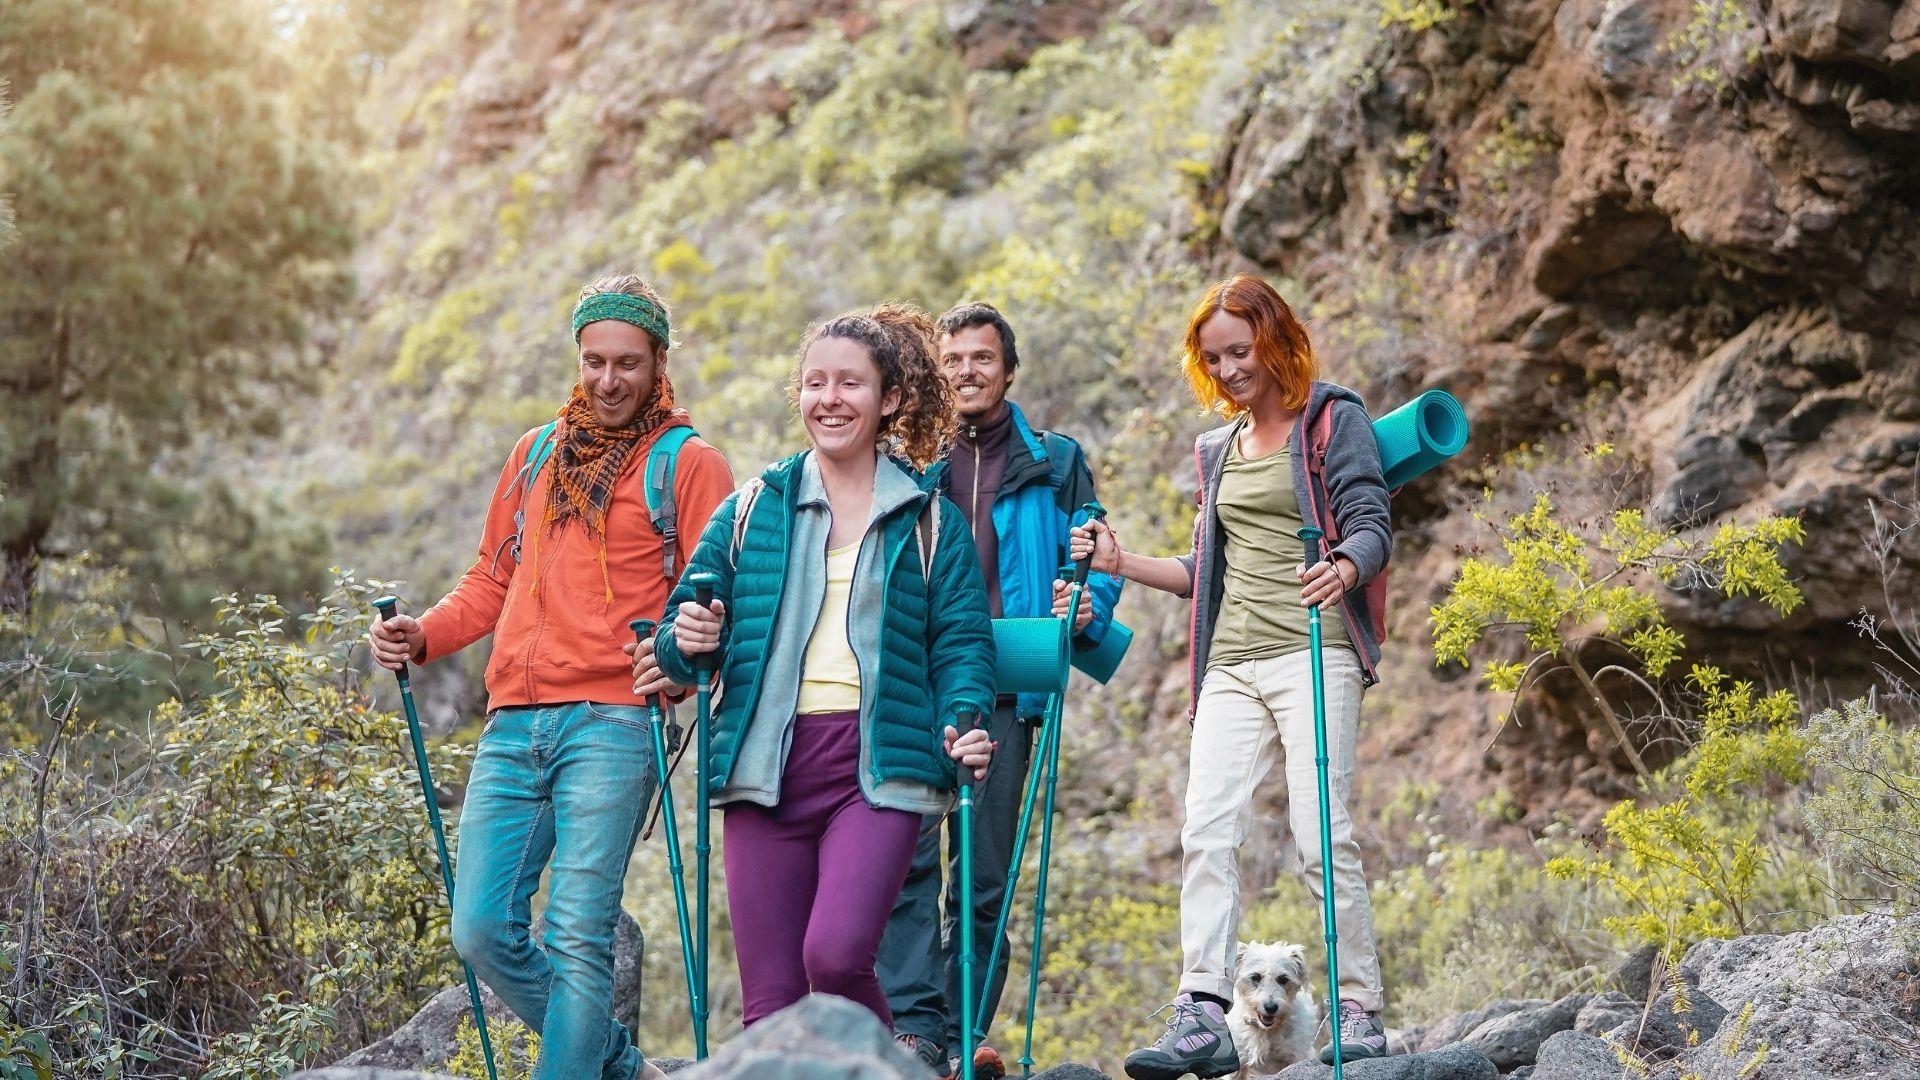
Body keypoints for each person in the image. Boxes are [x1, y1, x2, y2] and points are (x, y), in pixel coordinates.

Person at [369, 274, 734, 1080]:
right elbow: (491, 580)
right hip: (513, 722)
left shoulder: (689, 462)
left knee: (575, 933)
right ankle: (620, 1068)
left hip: (613, 723)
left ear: (659, 362)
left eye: (627, 363)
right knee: (481, 929)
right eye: (594, 361)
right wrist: (422, 634)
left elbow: (715, 599)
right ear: (578, 358)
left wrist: (673, 670)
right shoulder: (536, 454)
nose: (608, 380)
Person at [1072, 275, 1392, 1080]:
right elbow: (1201, 570)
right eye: (1214, 359)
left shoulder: (1331, 420)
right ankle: (1204, 1012)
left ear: (1275, 341)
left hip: (1314, 652)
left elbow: (1371, 520)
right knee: (1207, 833)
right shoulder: (1216, 449)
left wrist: (1347, 567)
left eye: (1240, 352)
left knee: (1325, 838)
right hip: (1230, 664)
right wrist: (1121, 562)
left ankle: (1358, 1006)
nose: (1228, 370)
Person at [646, 303, 998, 1030]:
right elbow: (677, 645)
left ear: (889, 399)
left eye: (851, 384)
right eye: (815, 383)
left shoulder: (928, 520)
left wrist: (964, 721)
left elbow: (963, 646)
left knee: (835, 958)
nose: (829, 399)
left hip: (878, 766)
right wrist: (692, 638)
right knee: (770, 1006)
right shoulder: (752, 509)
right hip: (765, 763)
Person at [876, 302, 1123, 1079]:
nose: (966, 372)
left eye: (981, 358)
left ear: (1008, 370)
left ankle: (961, 1034)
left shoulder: (1055, 460)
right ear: (934, 370)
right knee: (906, 864)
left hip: (1012, 691)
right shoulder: (910, 463)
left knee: (984, 876)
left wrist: (1087, 606)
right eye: (952, 360)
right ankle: (917, 1032)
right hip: (916, 684)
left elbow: (1094, 560)